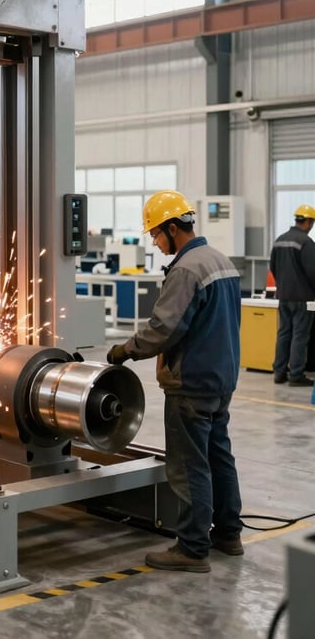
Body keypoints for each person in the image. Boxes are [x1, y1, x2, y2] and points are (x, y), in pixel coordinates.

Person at [107, 189, 243, 573]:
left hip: (191, 382)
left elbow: (162, 330)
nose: (153, 241)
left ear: (172, 228)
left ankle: (192, 548)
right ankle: (228, 534)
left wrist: (124, 351)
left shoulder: (186, 270)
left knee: (188, 465)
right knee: (219, 457)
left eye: (155, 234)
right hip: (221, 378)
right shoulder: (221, 261)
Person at [269, 204, 315, 387]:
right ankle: (296, 375)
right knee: (300, 336)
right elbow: (313, 271)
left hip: (284, 296)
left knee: (284, 334)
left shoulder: (280, 240)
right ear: (309, 222)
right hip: (303, 298)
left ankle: (279, 372)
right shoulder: (306, 242)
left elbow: (273, 267)